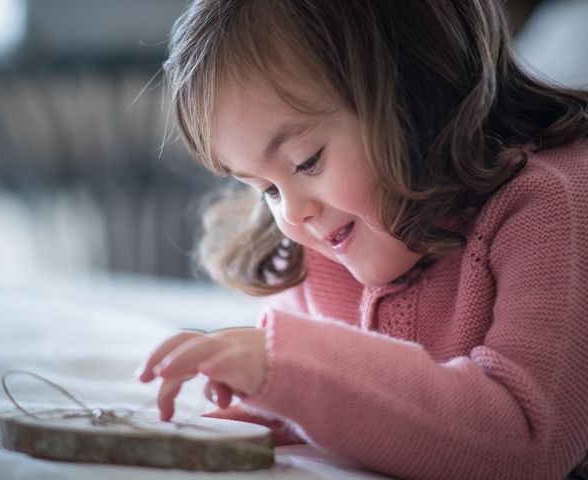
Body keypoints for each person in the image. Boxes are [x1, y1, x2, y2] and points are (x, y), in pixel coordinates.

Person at [137, 1, 588, 478]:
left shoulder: (552, 202)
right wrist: (249, 396)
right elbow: (338, 401)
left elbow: (527, 441)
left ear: (416, 96)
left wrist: (287, 366)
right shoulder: (319, 243)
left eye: (307, 161)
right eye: (266, 189)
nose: (292, 213)